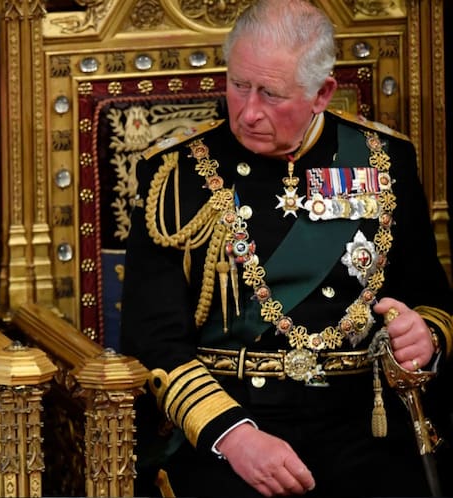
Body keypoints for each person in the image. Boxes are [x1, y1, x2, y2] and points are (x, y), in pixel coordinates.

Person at [120, 1, 452, 496]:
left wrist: (424, 336)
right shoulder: (176, 175)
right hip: (233, 422)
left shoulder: (385, 159)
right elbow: (153, 338)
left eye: (271, 94)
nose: (248, 111)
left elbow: (432, 299)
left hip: (366, 425)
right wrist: (233, 437)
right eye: (238, 85)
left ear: (322, 93)